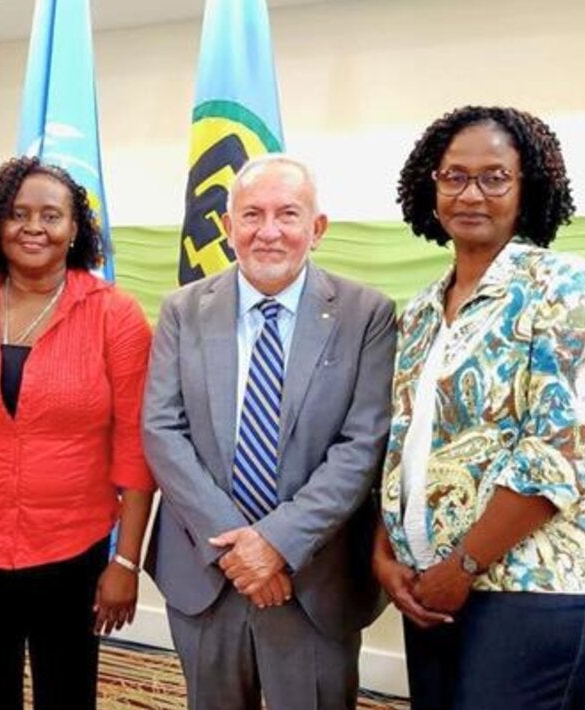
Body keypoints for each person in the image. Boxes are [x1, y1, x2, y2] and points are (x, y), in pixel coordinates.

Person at [373, 106, 585, 710]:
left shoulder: (564, 285)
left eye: (494, 177)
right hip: (431, 583)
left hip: (537, 586)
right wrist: (385, 553)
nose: (471, 194)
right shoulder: (422, 310)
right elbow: (405, 442)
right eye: (454, 176)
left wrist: (464, 565)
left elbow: (560, 453)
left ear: (527, 187)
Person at [143, 154, 396, 709]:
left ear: (317, 227)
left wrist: (277, 543)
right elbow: (162, 429)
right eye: (252, 214)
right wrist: (239, 548)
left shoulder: (366, 314)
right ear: (228, 226)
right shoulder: (182, 310)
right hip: (207, 573)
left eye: (288, 214)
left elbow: (362, 445)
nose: (269, 231)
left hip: (314, 577)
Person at [0, 156, 155, 710]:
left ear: (75, 229)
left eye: (51, 215)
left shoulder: (115, 314)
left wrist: (125, 562)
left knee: (67, 692)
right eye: (18, 213)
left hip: (74, 546)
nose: (33, 227)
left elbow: (134, 445)